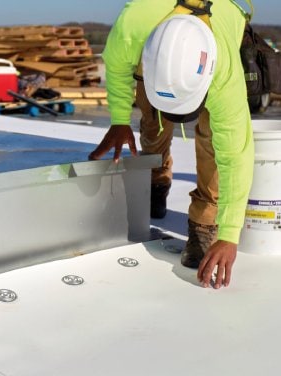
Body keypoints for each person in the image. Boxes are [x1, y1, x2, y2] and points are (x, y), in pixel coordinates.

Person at [88, 0, 254, 289]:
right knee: (152, 122)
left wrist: (229, 234)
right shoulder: (131, 29)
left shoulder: (223, 74)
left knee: (214, 140)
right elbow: (115, 68)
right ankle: (157, 179)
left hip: (219, 33)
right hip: (152, 37)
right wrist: (119, 120)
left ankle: (205, 220)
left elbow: (235, 155)